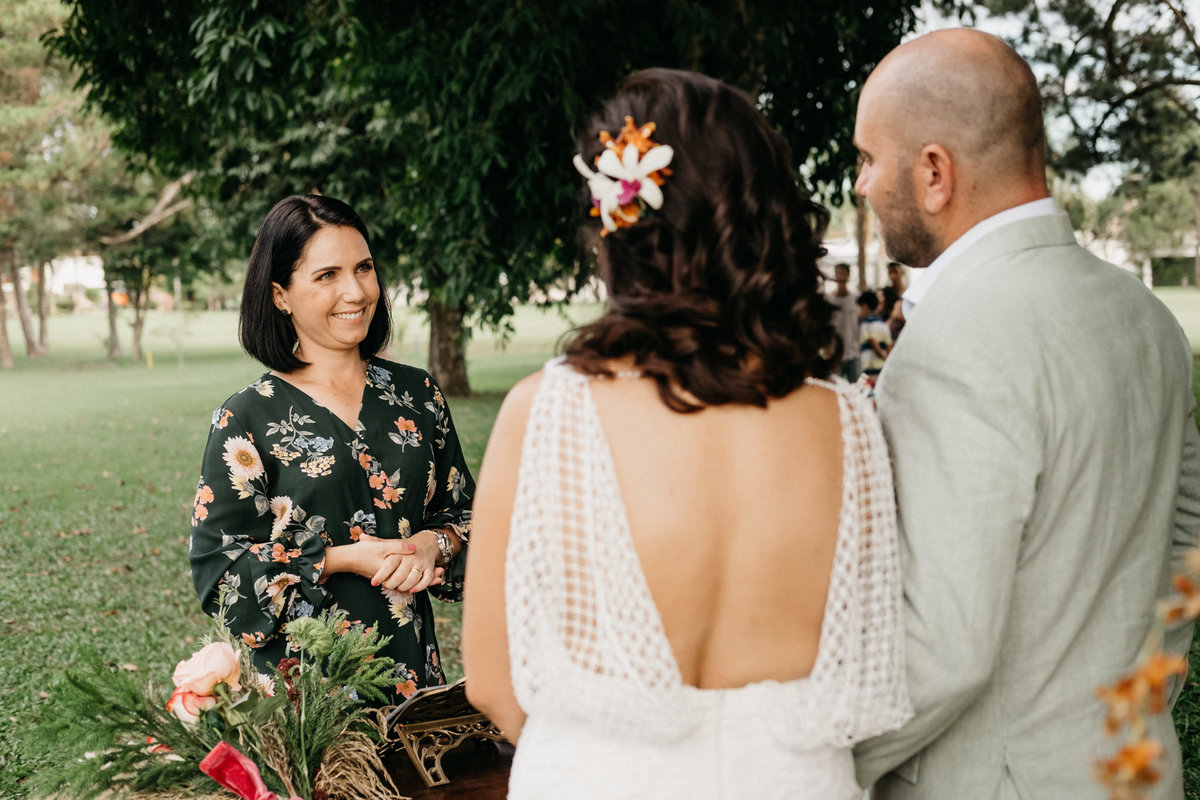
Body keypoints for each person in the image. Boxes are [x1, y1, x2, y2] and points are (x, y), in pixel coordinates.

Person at [461, 68, 911, 800]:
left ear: (620, 222)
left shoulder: (546, 411)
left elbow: (492, 682)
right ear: (766, 220)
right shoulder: (849, 420)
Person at [850, 28, 1200, 799]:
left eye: (867, 158)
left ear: (935, 171)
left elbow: (943, 644)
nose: (861, 185)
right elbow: (1188, 556)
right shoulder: (1145, 317)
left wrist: (827, 765)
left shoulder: (950, 343)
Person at [189, 194, 474, 703]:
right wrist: (342, 559)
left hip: (413, 683)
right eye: (327, 276)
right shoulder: (246, 418)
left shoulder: (417, 394)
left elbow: (470, 517)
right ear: (280, 295)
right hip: (303, 702)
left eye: (363, 268)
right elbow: (220, 574)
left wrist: (437, 544)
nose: (355, 291)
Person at [827, 262, 862, 381]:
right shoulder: (828, 300)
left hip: (853, 353)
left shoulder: (856, 298)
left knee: (856, 388)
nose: (840, 277)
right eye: (838, 273)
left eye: (843, 273)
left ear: (848, 276)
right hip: (834, 354)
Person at [857, 289, 891, 381]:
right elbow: (888, 344)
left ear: (865, 306)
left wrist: (883, 357)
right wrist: (887, 360)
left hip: (870, 368)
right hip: (882, 367)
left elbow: (872, 342)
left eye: (860, 307)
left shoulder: (866, 323)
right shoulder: (883, 323)